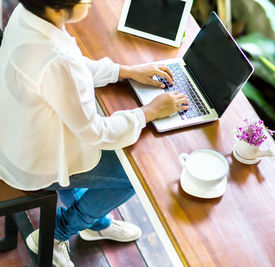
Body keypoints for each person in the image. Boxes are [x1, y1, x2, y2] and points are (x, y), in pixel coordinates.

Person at [0, 1, 189, 266]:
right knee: (135, 174)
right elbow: (96, 133)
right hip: (31, 161)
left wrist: (125, 72)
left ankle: (94, 221)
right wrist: (149, 112)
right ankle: (58, 232)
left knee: (120, 157)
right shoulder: (56, 61)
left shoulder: (28, 13)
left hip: (14, 133)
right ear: (56, 8)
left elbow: (69, 70)